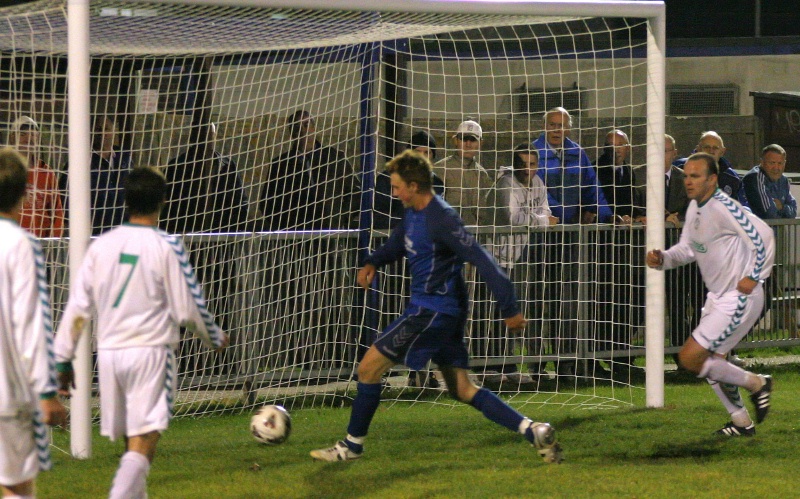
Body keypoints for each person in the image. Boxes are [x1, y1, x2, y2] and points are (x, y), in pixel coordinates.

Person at [310, 150, 562, 463]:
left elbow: (482, 259)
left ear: (414, 186)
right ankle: (533, 430)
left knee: (367, 368)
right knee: (462, 388)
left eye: (398, 186)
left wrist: (509, 307)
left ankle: (350, 447)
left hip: (431, 312)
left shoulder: (443, 218)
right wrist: (374, 261)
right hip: (439, 313)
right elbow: (399, 241)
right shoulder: (414, 212)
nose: (394, 192)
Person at [54, 167, 229, 498]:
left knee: (131, 442)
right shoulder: (166, 245)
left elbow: (78, 308)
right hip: (150, 352)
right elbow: (186, 308)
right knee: (145, 438)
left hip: (108, 355)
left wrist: (63, 360)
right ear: (162, 201)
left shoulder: (102, 246)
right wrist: (214, 335)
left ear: (126, 200)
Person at [646, 152, 775, 437]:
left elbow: (764, 234)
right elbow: (689, 249)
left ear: (713, 179)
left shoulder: (724, 207)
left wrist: (754, 275)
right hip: (717, 297)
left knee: (692, 358)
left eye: (696, 176)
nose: (688, 181)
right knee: (712, 363)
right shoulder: (696, 208)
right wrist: (664, 259)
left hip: (739, 297)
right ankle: (741, 422)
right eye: (686, 176)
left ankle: (756, 384)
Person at [0, 147, 67, 499]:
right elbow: (31, 324)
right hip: (8, 394)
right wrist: (47, 392)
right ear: (26, 194)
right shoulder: (22, 245)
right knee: (19, 489)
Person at [533, 107, 613, 378]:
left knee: (569, 300)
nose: (557, 130)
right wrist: (562, 216)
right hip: (540, 239)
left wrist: (603, 214)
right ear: (545, 127)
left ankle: (567, 360)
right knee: (538, 300)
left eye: (562, 125)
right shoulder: (533, 153)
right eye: (553, 125)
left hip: (571, 239)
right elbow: (537, 191)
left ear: (569, 128)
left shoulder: (577, 153)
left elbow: (593, 189)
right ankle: (536, 362)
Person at [373, 130, 444, 389]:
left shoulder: (437, 182)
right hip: (394, 256)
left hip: (422, 260)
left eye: (428, 154)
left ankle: (420, 370)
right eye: (419, 153)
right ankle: (378, 370)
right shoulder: (388, 179)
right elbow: (381, 214)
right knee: (387, 311)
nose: (423, 158)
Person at [485, 144, 558, 383]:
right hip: (497, 256)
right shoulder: (506, 184)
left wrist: (540, 219)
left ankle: (527, 365)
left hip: (522, 254)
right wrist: (542, 221)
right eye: (523, 164)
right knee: (497, 313)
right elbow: (512, 217)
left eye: (533, 164)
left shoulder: (538, 182)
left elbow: (546, 209)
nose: (528, 169)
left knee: (526, 310)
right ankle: (496, 367)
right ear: (515, 165)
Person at [593, 129, 647, 377]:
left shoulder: (630, 172)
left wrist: (638, 216)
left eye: (620, 145)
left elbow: (635, 201)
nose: (616, 150)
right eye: (610, 145)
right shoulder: (596, 170)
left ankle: (623, 355)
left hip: (629, 247)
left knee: (632, 300)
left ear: (627, 148)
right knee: (606, 302)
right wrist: (612, 217)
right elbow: (595, 201)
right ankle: (603, 355)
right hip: (603, 247)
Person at [259, 110, 360, 230]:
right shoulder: (280, 165)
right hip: (296, 236)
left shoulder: (334, 158)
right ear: (291, 132)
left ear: (313, 128)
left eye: (306, 125)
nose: (302, 130)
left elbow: (356, 193)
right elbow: (267, 203)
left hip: (330, 234)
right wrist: (285, 225)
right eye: (297, 127)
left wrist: (340, 217)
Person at [162, 122, 250, 233]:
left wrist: (233, 228)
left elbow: (240, 200)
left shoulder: (227, 165)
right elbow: (166, 202)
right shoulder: (177, 166)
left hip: (220, 235)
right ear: (194, 137)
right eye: (203, 136)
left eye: (211, 135)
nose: (208, 140)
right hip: (185, 233)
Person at [7, 116, 65, 237]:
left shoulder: (46, 173)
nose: (28, 139)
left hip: (40, 246)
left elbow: (57, 214)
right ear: (12, 138)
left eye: (33, 134)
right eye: (23, 134)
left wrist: (52, 244)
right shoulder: (4, 170)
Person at [663, 134, 693, 355]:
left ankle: (680, 354)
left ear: (674, 153)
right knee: (638, 305)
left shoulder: (684, 179)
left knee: (678, 303)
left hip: (675, 250)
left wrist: (677, 219)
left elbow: (693, 210)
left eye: (667, 150)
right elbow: (634, 205)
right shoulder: (639, 175)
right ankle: (628, 358)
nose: (662, 155)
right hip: (643, 251)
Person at [433, 119, 492, 226]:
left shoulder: (482, 175)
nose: (468, 144)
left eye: (473, 139)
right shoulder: (441, 169)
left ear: (480, 143)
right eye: (464, 139)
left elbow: (486, 213)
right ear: (455, 141)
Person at [674, 131, 748, 208]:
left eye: (715, 148)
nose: (711, 151)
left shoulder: (732, 178)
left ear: (722, 152)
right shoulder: (679, 168)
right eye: (707, 147)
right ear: (698, 149)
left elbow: (742, 206)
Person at [742, 144, 797, 220]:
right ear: (762, 162)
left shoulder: (784, 180)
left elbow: (793, 212)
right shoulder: (755, 177)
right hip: (758, 231)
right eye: (772, 163)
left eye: (780, 163)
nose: (776, 168)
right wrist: (784, 212)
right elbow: (769, 214)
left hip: (777, 231)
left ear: (784, 163)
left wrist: (781, 207)